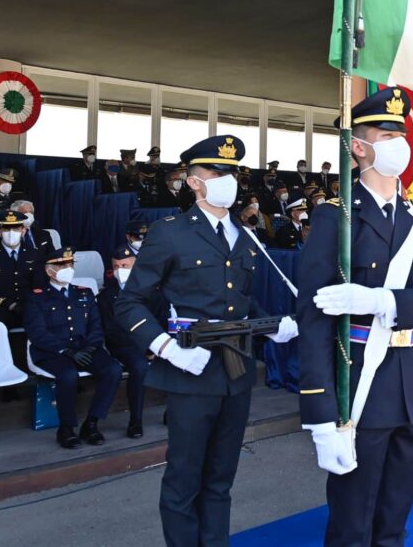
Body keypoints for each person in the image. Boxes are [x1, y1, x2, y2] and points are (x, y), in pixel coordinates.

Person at [114, 134, 297, 547]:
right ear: (194, 182)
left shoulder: (245, 236)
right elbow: (130, 303)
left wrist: (271, 325)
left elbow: (240, 306)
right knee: (184, 478)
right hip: (191, 370)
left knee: (221, 477)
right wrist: (165, 348)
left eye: (230, 172)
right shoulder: (171, 232)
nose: (225, 179)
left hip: (236, 371)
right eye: (216, 172)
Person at [295, 87, 413, 546]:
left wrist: (384, 302)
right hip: (359, 390)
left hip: (411, 386)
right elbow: (313, 321)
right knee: (351, 524)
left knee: (394, 521)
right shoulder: (336, 216)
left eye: (399, 134)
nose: (398, 143)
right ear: (358, 146)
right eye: (386, 134)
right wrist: (322, 416)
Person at [24, 247, 122, 449]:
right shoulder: (37, 297)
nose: (67, 269)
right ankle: (66, 428)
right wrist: (66, 351)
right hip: (52, 352)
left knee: (113, 369)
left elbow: (96, 325)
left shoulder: (84, 293)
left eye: (69, 264)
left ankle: (91, 423)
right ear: (49, 270)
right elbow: (37, 333)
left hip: (84, 348)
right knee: (68, 375)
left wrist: (91, 346)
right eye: (61, 265)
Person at [97, 246, 152, 438]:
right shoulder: (105, 296)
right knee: (139, 366)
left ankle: (174, 413)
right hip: (124, 345)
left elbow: (159, 319)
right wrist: (144, 347)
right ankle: (135, 421)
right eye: (117, 266)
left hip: (151, 342)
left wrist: (153, 344)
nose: (121, 270)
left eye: (126, 265)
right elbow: (111, 331)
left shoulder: (151, 291)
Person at [0, 210, 42, 328]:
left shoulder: (34, 253)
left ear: (23, 231)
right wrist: (10, 304)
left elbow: (39, 284)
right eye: (6, 229)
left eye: (16, 229)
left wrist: (29, 304)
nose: (11, 233)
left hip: (28, 304)